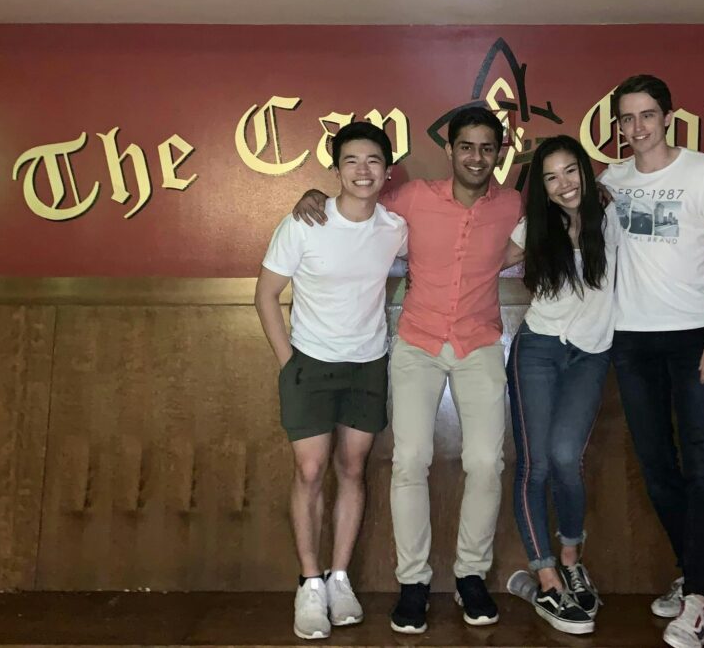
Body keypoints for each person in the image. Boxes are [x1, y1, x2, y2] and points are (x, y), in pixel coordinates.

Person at [292, 107, 521, 634]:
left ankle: (470, 576)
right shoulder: (414, 197)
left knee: (486, 462)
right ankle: (413, 582)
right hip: (417, 343)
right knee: (409, 460)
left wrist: (598, 200)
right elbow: (358, 203)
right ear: (452, 151)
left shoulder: (511, 204)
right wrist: (314, 200)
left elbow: (553, 222)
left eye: (488, 148)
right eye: (467, 146)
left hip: (480, 342)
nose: (477, 157)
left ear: (499, 154)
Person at [599, 75, 704, 648]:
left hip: (694, 338)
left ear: (667, 117)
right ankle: (696, 576)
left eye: (647, 116)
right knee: (658, 465)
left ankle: (698, 600)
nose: (637, 128)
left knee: (703, 463)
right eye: (626, 119)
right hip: (630, 341)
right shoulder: (611, 180)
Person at [255, 122, 408, 640]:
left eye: (372, 161)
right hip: (309, 363)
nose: (363, 171)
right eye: (351, 161)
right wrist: (288, 361)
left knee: (353, 466)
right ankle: (309, 581)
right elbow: (265, 295)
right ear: (336, 168)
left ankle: (340, 577)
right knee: (310, 469)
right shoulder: (305, 222)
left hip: (368, 363)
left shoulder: (395, 227)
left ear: (387, 171)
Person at [501, 135, 619, 635]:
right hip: (538, 351)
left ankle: (571, 557)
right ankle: (546, 575)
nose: (564, 184)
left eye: (571, 171)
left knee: (568, 457)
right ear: (542, 188)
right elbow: (483, 263)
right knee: (537, 462)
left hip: (591, 355)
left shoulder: (614, 218)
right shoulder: (534, 228)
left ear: (586, 174)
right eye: (551, 177)